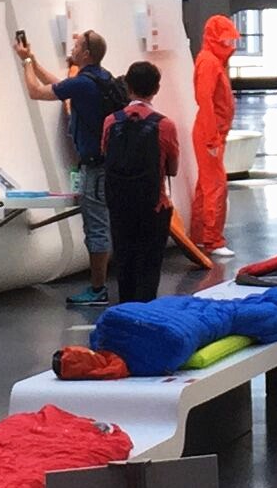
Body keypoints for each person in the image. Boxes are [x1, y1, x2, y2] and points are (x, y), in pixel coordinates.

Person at [15, 27, 121, 304]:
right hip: (108, 166)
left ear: (86, 53)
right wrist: (32, 59)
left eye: (76, 46)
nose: (71, 49)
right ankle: (102, 285)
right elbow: (60, 87)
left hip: (94, 169)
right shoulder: (101, 78)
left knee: (96, 228)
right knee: (103, 225)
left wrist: (25, 63)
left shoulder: (83, 83)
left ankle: (97, 289)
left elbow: (37, 92)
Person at [97, 59, 181, 305]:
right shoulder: (165, 125)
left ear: (128, 87)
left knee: (124, 266)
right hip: (153, 206)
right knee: (148, 269)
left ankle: (126, 313)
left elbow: (105, 155)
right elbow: (173, 169)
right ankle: (146, 314)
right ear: (156, 89)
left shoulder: (111, 121)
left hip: (119, 205)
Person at [192, 17, 237, 258]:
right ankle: (212, 239)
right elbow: (205, 99)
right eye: (226, 39)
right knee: (215, 187)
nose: (230, 44)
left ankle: (200, 235)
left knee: (206, 185)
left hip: (213, 131)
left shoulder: (211, 60)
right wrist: (212, 138)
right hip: (211, 132)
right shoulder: (209, 62)